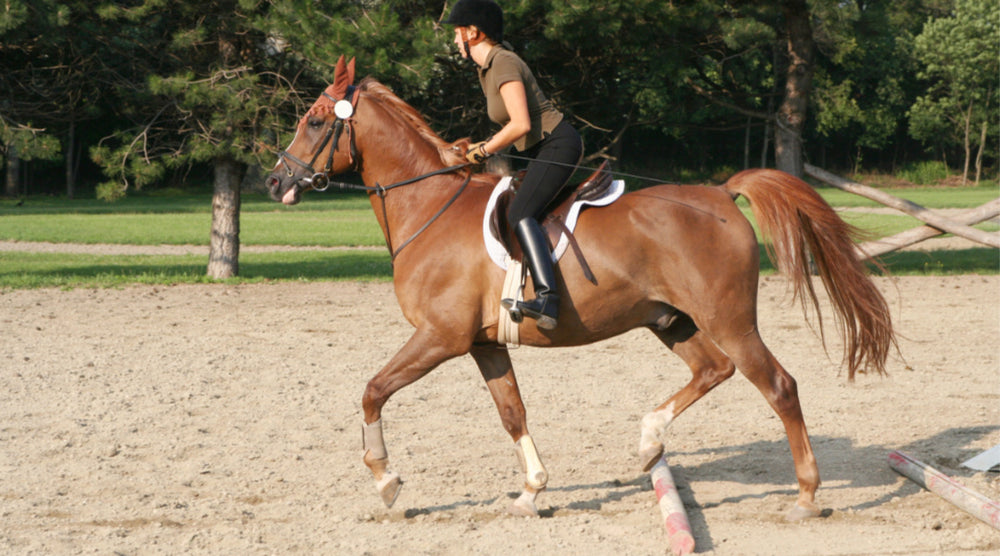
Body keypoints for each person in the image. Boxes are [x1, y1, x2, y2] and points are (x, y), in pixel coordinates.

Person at [446, 0, 583, 330]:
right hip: (544, 148)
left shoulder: (503, 62)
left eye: (456, 33)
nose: (453, 41)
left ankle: (548, 300)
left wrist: (483, 149)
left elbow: (520, 124)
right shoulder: (489, 67)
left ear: (473, 33)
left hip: (558, 144)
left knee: (519, 212)